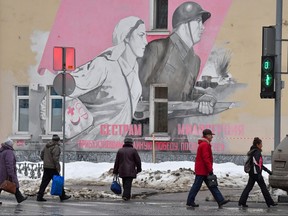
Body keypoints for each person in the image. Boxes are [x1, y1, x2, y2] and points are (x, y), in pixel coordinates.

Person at [65, 16, 148, 142]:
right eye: (141, 35)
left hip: (116, 146)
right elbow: (63, 90)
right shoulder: (103, 65)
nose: (146, 41)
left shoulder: (134, 68)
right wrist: (51, 124)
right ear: (126, 37)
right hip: (88, 146)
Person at [139, 1, 216, 114]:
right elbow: (140, 90)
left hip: (178, 125)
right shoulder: (156, 48)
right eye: (198, 22)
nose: (202, 27)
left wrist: (203, 97)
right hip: (152, 123)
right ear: (184, 24)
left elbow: (184, 93)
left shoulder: (195, 61)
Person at [186, 129, 229, 208]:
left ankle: (220, 200)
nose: (212, 137)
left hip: (203, 169)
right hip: (202, 170)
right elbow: (206, 158)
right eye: (211, 135)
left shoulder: (204, 144)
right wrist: (210, 169)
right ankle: (190, 201)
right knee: (197, 186)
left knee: (212, 185)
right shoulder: (205, 145)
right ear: (207, 135)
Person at [238, 137, 277, 208]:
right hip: (256, 173)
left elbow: (259, 164)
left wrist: (267, 171)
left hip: (252, 173)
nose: (262, 145)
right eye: (261, 144)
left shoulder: (253, 151)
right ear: (257, 144)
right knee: (263, 187)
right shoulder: (257, 152)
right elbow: (257, 164)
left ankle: (242, 202)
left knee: (249, 187)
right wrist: (259, 173)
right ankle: (270, 202)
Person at [36, 134, 71, 201]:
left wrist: (45, 161)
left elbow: (42, 154)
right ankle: (62, 196)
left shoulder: (47, 146)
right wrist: (57, 167)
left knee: (44, 182)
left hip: (46, 167)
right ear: (57, 141)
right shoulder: (56, 147)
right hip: (52, 167)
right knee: (58, 181)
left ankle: (39, 196)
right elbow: (55, 159)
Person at [0, 138, 27, 204]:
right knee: (14, 184)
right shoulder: (9, 152)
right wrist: (11, 174)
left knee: (1, 186)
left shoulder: (2, 151)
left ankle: (20, 198)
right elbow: (9, 164)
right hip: (6, 173)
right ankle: (20, 198)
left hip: (1, 172)